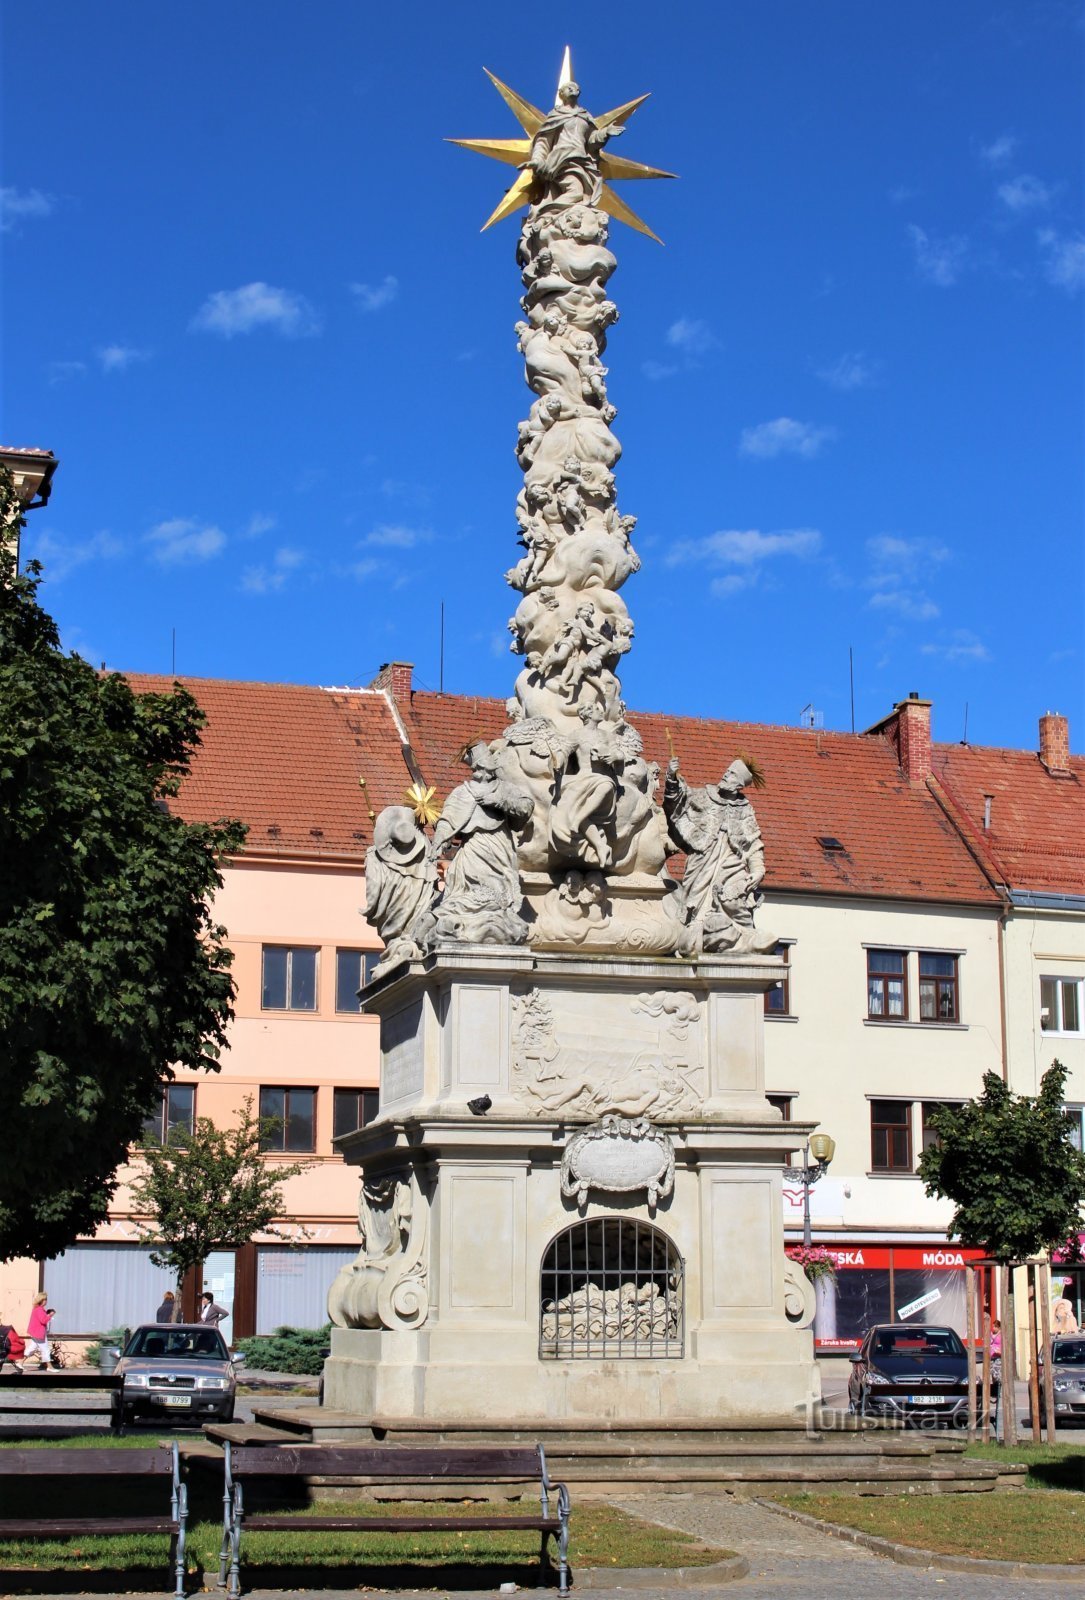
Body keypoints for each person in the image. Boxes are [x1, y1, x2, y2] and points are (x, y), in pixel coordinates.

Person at [25, 1292, 54, 1366]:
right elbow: (43, 1320)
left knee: (32, 1348)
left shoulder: (38, 1309)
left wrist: (47, 1315)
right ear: (41, 1300)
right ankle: (49, 1366)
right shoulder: (39, 1310)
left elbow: (42, 1319)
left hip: (36, 1332)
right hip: (38, 1333)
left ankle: (20, 1362)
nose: (46, 1301)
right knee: (45, 1349)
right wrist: (50, 1315)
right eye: (45, 1299)